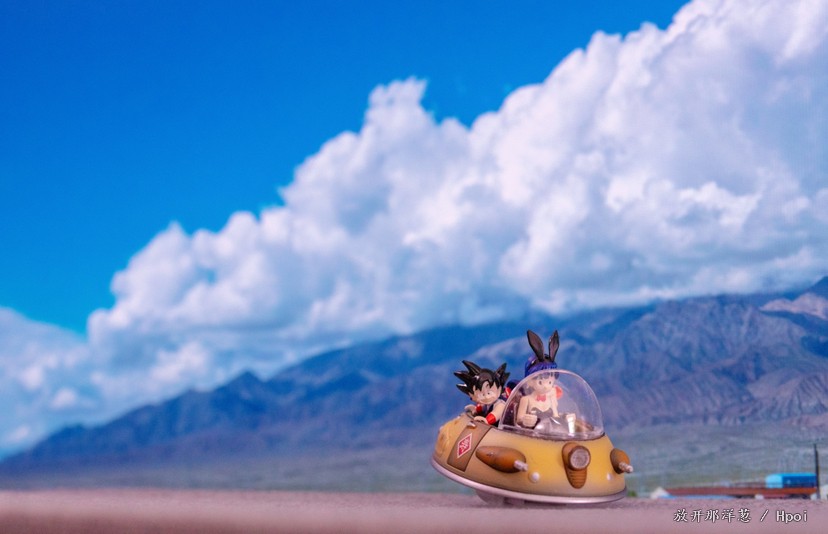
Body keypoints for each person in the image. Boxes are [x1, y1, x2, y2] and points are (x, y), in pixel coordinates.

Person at [454, 360, 510, 425]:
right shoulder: (486, 403)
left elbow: (496, 413)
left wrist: (487, 420)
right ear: (472, 396)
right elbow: (482, 408)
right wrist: (475, 410)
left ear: (499, 390)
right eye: (482, 395)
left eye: (489, 393)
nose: (486, 397)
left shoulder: (500, 404)